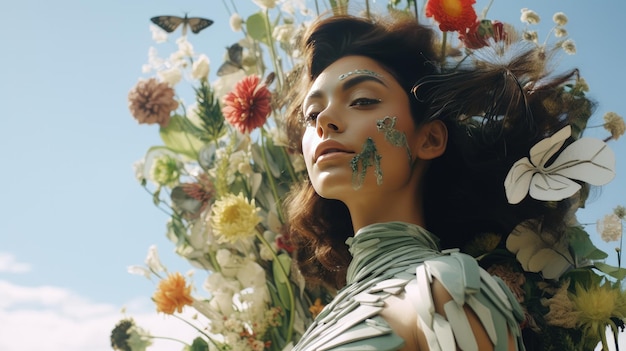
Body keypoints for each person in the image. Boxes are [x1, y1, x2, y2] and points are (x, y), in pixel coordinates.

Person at [282, 12, 613, 351]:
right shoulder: (319, 324)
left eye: (362, 100)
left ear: (429, 140)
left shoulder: (449, 292)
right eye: (311, 114)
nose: (324, 120)